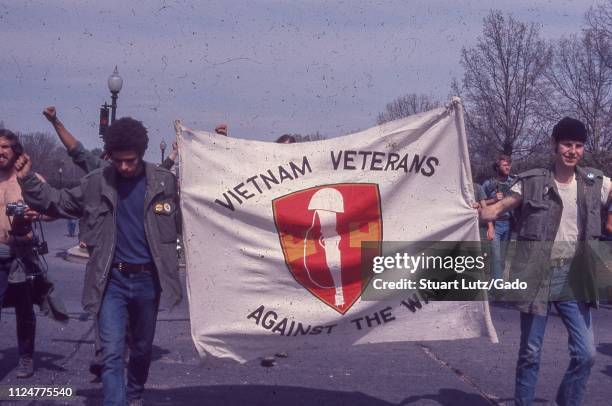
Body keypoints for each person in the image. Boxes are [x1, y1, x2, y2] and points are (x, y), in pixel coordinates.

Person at [16, 117, 182, 406]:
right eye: (118, 161)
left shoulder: (163, 182)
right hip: (110, 282)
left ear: (140, 154)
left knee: (142, 350)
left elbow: (196, 213)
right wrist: (28, 179)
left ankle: (134, 394)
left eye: (130, 161)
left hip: (148, 282)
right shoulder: (96, 182)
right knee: (112, 353)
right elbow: (57, 201)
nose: (124, 167)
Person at [479, 117, 608, 406]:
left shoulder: (594, 183)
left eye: (578, 145)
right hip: (537, 276)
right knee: (530, 352)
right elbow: (496, 211)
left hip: (573, 277)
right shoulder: (532, 182)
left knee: (586, 354)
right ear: (554, 145)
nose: (572, 151)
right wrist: (476, 208)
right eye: (566, 144)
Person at [0, 129, 52, 378]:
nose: (0, 152)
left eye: (5, 147)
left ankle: (26, 357)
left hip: (22, 254)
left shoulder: (30, 179)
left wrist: (37, 214)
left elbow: (54, 209)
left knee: (24, 309)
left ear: (15, 150)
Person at [482, 155, 516, 283]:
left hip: (509, 224)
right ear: (497, 168)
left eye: (509, 164)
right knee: (496, 257)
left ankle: (495, 286)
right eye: (504, 165)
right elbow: (480, 204)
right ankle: (497, 289)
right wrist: (494, 200)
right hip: (495, 224)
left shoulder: (513, 182)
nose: (508, 166)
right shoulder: (488, 184)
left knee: (502, 258)